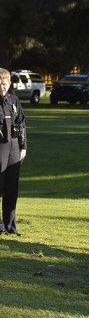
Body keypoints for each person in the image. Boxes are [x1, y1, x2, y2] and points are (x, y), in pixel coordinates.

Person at [0, 68, 27, 235]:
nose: (1, 87)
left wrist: (23, 147)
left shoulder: (14, 101)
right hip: (0, 147)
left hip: (14, 148)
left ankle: (10, 226)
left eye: (4, 84)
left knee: (12, 188)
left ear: (9, 84)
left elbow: (22, 125)